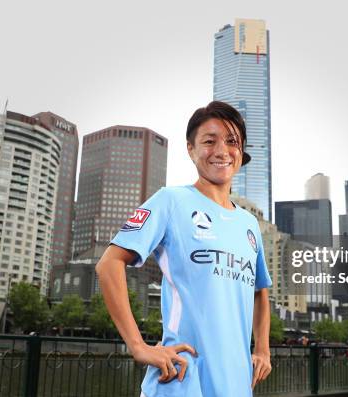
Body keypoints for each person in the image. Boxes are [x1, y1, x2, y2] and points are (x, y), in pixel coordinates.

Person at [95, 101, 273, 397]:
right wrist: (138, 347)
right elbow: (108, 263)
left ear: (240, 153)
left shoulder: (249, 224)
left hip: (237, 384)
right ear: (191, 149)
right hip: (182, 379)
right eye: (209, 141)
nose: (221, 150)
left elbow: (260, 291)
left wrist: (264, 350)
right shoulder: (171, 201)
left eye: (232, 142)